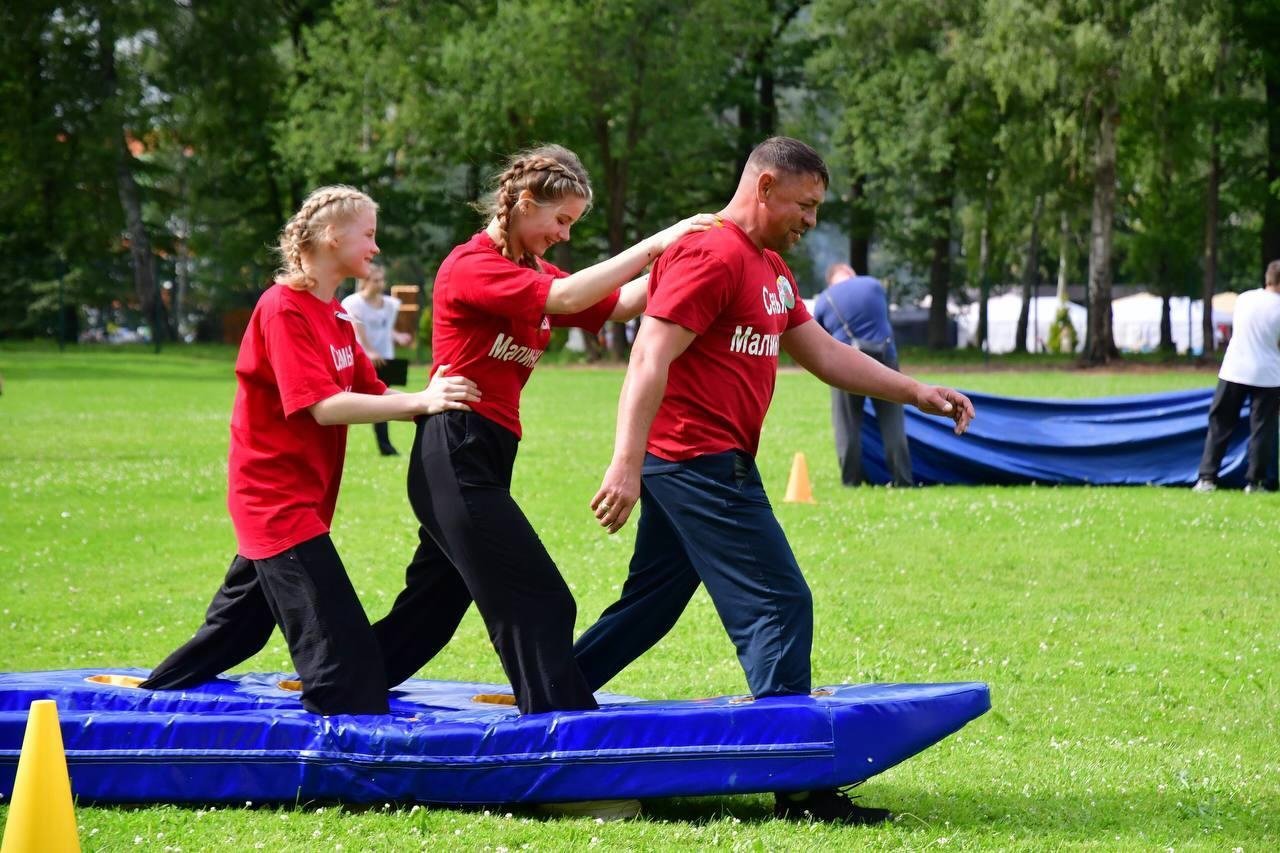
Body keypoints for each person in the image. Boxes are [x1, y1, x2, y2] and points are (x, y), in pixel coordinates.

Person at [576, 137, 975, 824]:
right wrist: (625, 461)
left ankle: (552, 690)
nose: (811, 221)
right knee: (780, 603)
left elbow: (823, 354)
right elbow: (648, 355)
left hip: (704, 459)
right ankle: (798, 786)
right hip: (696, 460)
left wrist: (915, 391)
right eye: (805, 205)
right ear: (764, 187)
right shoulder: (709, 253)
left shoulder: (770, 268)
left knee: (650, 605)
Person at [370, 146, 717, 720]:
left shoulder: (534, 271)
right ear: (524, 203)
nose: (564, 235)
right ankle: (558, 729)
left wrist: (694, 255)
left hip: (486, 454)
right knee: (541, 599)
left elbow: (621, 304)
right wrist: (657, 241)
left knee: (433, 605)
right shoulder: (472, 265)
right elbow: (570, 297)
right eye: (561, 220)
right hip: (454, 449)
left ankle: (347, 679)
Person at [141, 185, 480, 716]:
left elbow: (372, 392)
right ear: (332, 236)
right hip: (275, 503)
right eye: (368, 234)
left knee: (235, 634)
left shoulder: (337, 315)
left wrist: (435, 404)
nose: (376, 247)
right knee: (345, 671)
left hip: (306, 501)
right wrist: (421, 399)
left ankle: (144, 707)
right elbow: (323, 407)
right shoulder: (283, 309)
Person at [815, 262, 913, 486]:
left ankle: (851, 480)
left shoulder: (824, 299)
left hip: (845, 364)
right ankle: (902, 479)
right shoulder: (873, 285)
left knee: (847, 424)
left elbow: (820, 337)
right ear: (851, 273)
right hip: (885, 358)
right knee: (893, 423)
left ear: (831, 280)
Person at [1194, 259, 1280, 493]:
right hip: (1268, 374)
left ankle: (1207, 477)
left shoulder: (1244, 299)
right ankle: (1255, 481)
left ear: (1268, 278)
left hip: (1234, 368)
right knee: (1262, 429)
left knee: (1220, 424)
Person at [341, 262, 413, 456]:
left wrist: (398, 337)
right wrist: (369, 351)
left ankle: (386, 447)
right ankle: (339, 444)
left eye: (381, 280)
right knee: (349, 402)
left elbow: (386, 328)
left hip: (384, 359)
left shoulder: (390, 304)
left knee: (382, 401)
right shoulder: (353, 303)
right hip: (359, 360)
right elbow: (357, 329)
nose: (380, 284)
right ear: (365, 282)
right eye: (375, 280)